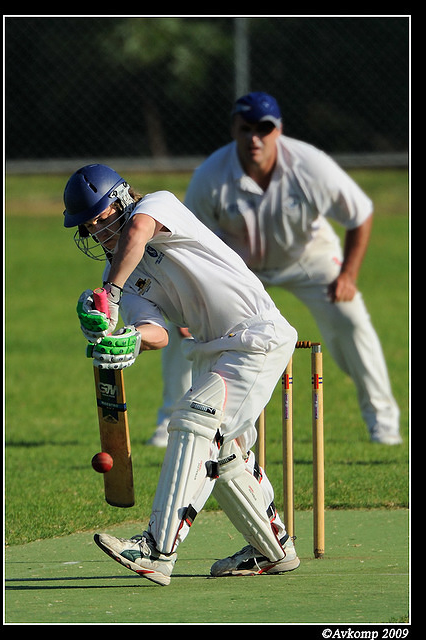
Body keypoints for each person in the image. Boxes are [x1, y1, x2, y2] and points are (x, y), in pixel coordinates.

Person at [63, 163, 300, 586]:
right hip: (212, 351)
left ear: (121, 200)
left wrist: (110, 293)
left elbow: (137, 232)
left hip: (256, 333)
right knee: (225, 456)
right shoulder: (119, 274)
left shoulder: (157, 206)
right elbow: (158, 332)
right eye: (90, 227)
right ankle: (273, 549)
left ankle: (157, 550)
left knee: (195, 421)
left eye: (104, 217)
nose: (101, 231)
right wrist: (124, 336)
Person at [152, 91, 401, 447]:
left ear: (278, 130)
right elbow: (186, 240)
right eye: (246, 128)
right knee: (183, 328)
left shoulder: (309, 165)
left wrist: (348, 275)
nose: (255, 137)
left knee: (352, 320)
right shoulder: (211, 175)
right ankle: (169, 423)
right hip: (236, 268)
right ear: (234, 130)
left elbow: (359, 213)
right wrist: (190, 303)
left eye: (264, 129)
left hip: (307, 257)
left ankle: (383, 423)